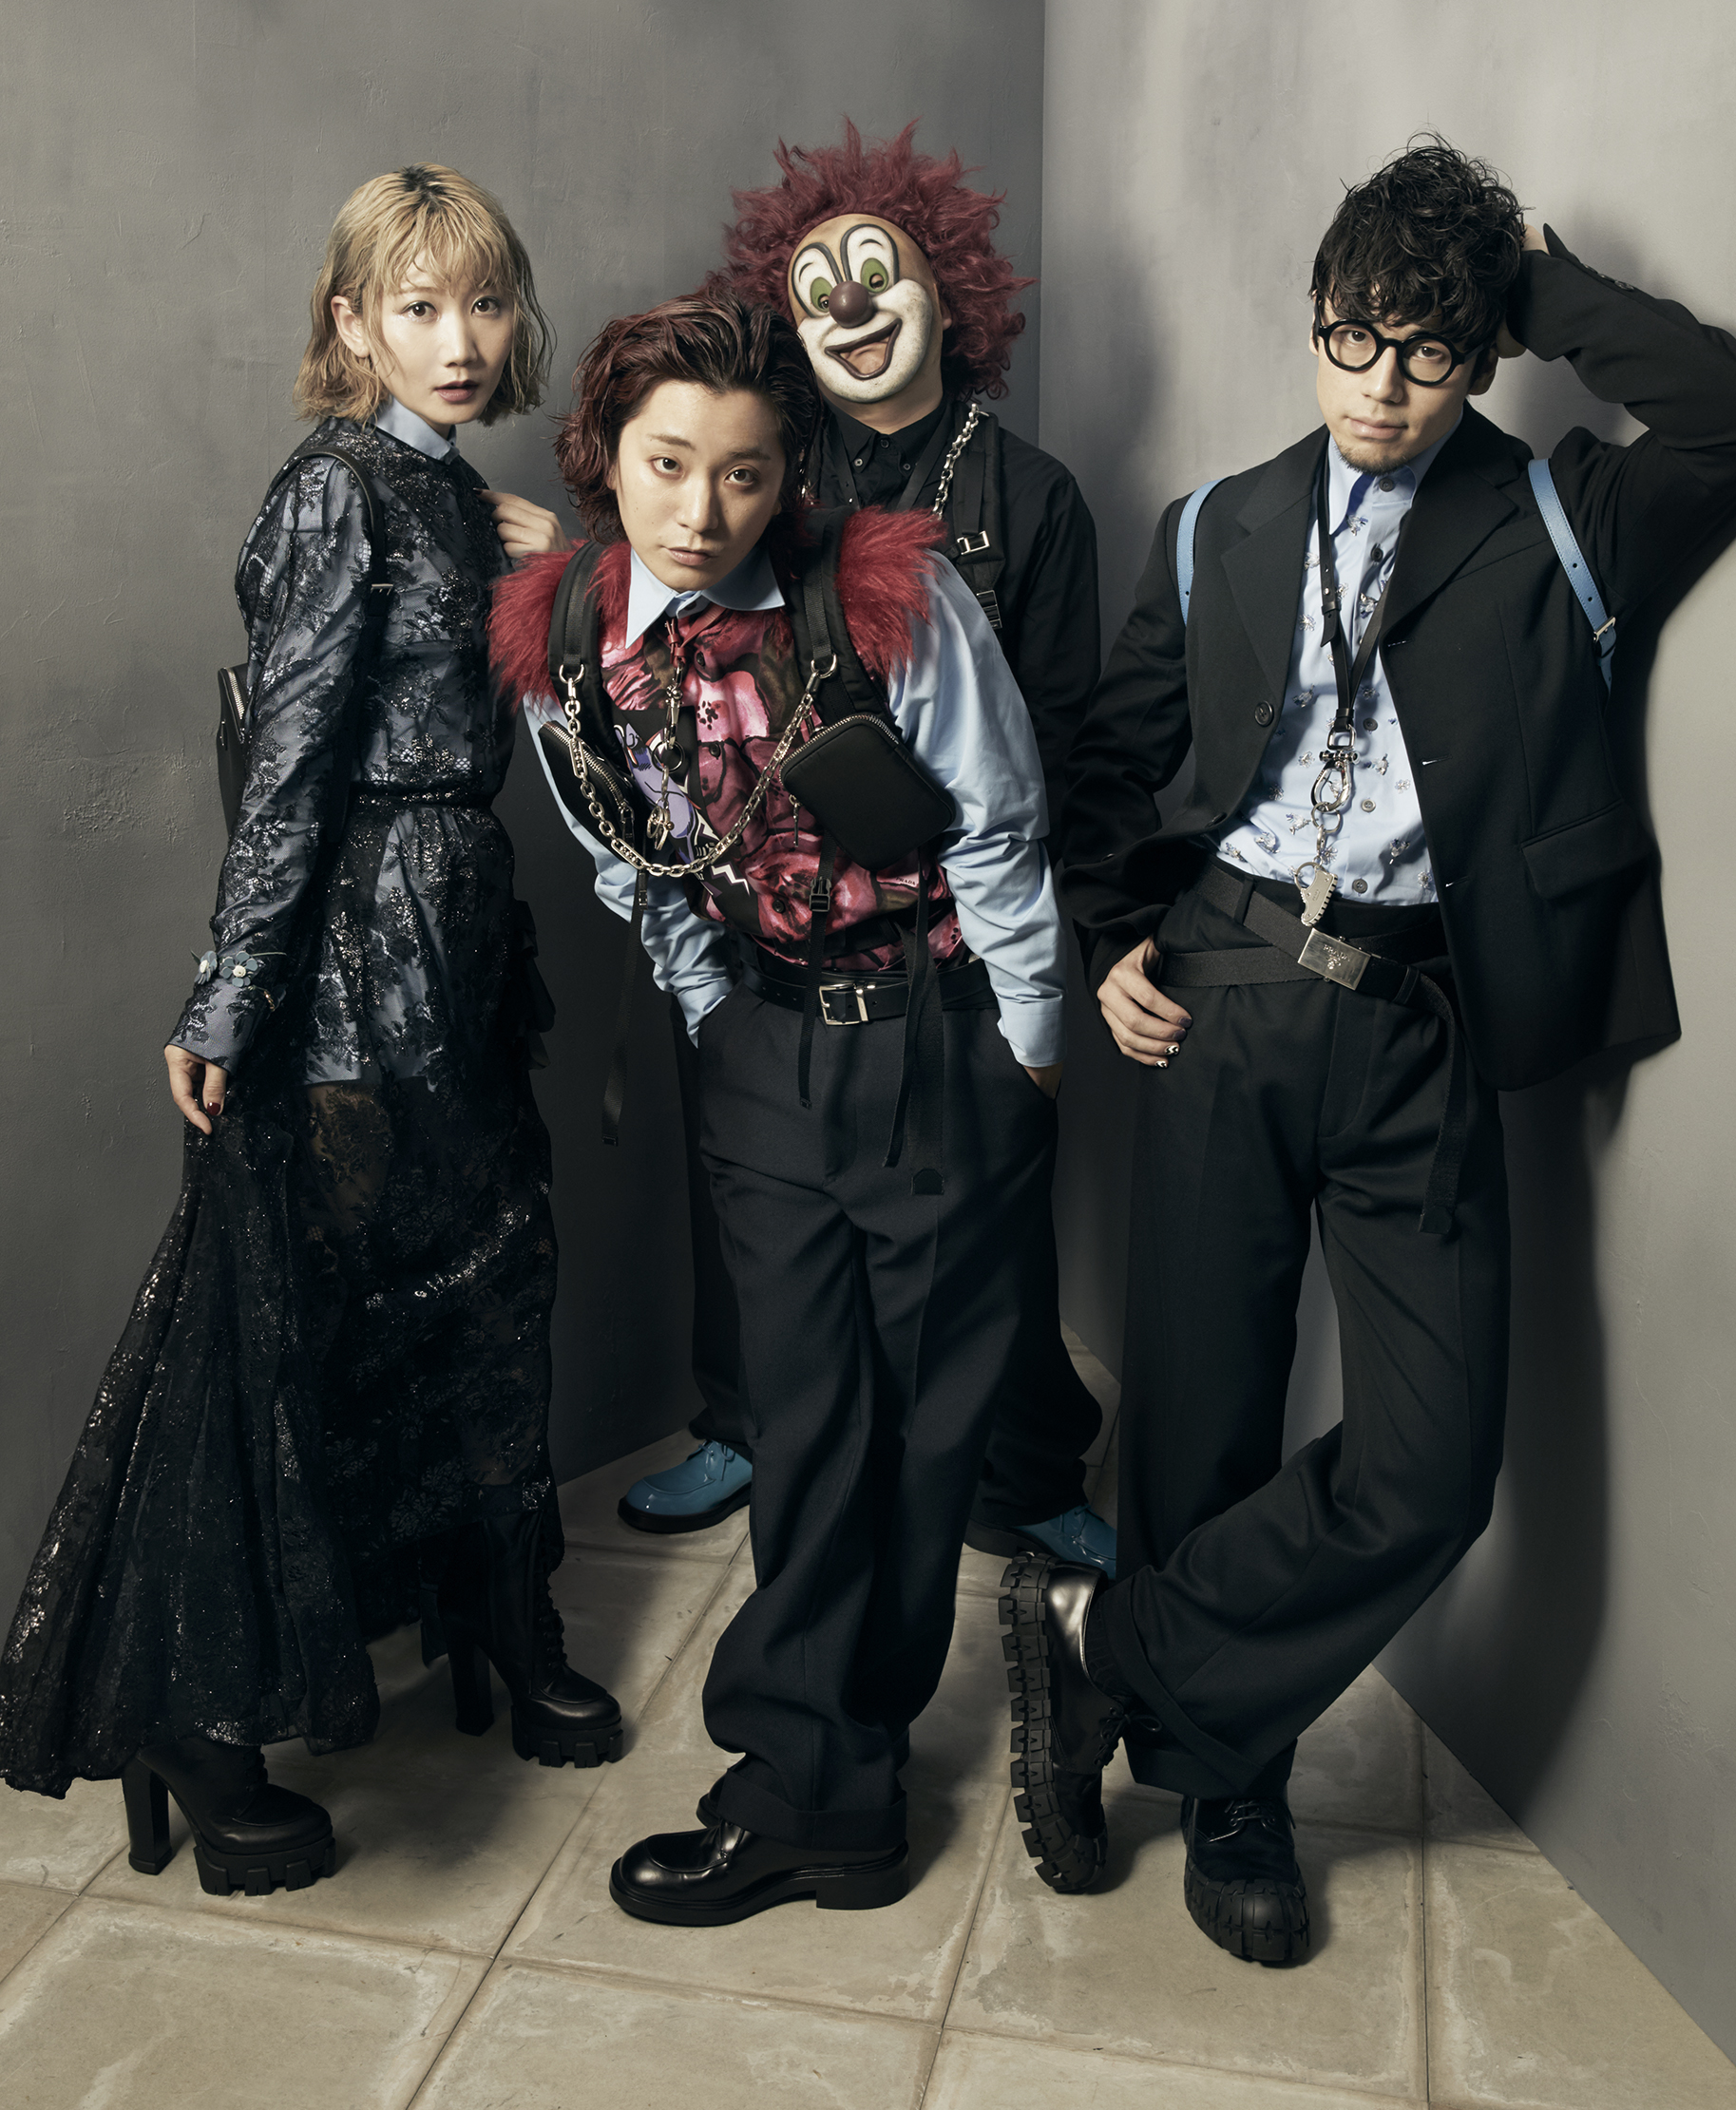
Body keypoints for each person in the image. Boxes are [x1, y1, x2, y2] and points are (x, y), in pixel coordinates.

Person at [1004, 139, 1736, 1965]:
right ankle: (1225, 1776)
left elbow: (1728, 417)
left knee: (1431, 1464)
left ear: (1483, 354)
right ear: (1313, 322)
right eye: (1351, 337)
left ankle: (1108, 1649)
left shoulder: (1561, 514)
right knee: (1203, 1415)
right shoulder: (1218, 525)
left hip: (1421, 1021)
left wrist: (1543, 278)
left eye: (1427, 350)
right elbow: (1109, 764)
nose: (1380, 387)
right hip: (1228, 993)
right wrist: (1111, 943)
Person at [0, 164, 621, 1901]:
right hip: (350, 952)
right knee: (301, 1323)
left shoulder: (462, 495)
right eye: (417, 306)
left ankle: (502, 1614)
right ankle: (200, 1724)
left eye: (483, 302)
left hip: (461, 937)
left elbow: (558, 714)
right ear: (352, 323)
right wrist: (229, 994)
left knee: (490, 1283)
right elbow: (287, 770)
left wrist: (569, 568)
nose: (458, 337)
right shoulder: (336, 490)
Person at [489, 292, 1065, 1923]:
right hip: (761, 1051)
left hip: (939, 1042)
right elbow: (626, 860)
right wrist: (716, 1019)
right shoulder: (565, 636)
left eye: (743, 474)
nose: (702, 509)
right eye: (669, 464)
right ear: (605, 455)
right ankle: (816, 1778)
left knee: (923, 1428)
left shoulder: (886, 595)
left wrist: (1026, 1054)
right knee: (808, 1422)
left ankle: (839, 1783)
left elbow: (1000, 827)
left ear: (787, 476)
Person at [616, 123, 1112, 1575]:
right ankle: (748, 1425)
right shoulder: (757, 474)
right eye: (814, 286)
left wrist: (1034, 960)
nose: (847, 307)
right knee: (751, 1207)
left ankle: (1025, 1468)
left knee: (994, 1224)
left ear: (951, 293)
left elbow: (1064, 741)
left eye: (878, 274)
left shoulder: (1034, 495)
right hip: (764, 926)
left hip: (954, 932)